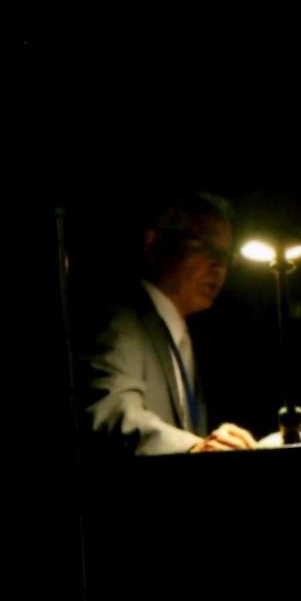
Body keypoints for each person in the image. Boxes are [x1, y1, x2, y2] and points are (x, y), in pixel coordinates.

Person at [82, 192, 256, 455]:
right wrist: (194, 447)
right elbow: (111, 409)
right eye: (207, 246)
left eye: (225, 255)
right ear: (154, 244)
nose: (220, 266)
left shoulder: (183, 335)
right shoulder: (121, 320)